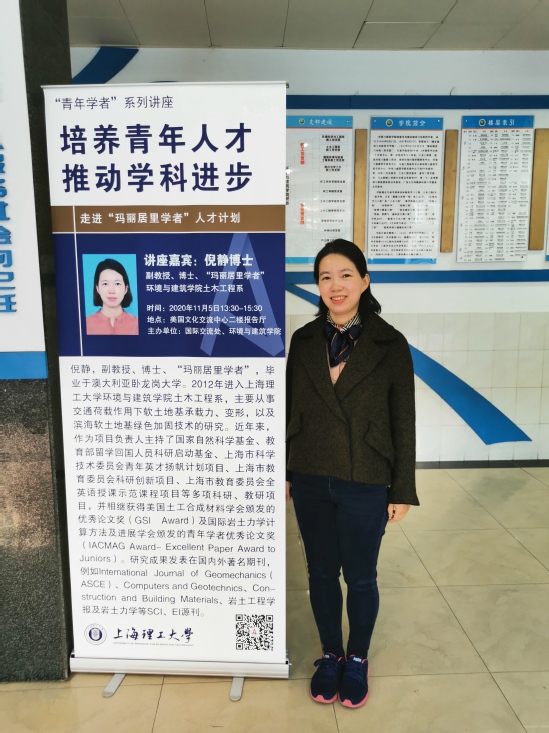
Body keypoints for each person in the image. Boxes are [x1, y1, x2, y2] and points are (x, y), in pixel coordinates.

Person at [286, 239, 418, 708]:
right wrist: (286, 470)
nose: (335, 285)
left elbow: (404, 421)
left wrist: (402, 488)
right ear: (317, 286)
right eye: (325, 277)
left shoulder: (390, 344)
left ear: (364, 281)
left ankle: (357, 657)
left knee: (360, 576)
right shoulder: (304, 341)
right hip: (310, 472)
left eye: (345, 275)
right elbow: (290, 409)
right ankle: (330, 655)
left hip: (366, 475)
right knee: (321, 572)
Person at [86, 258, 139, 336]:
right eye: (105, 284)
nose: (111, 291)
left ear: (126, 289)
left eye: (117, 284)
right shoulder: (86, 324)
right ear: (97, 288)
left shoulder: (138, 324)